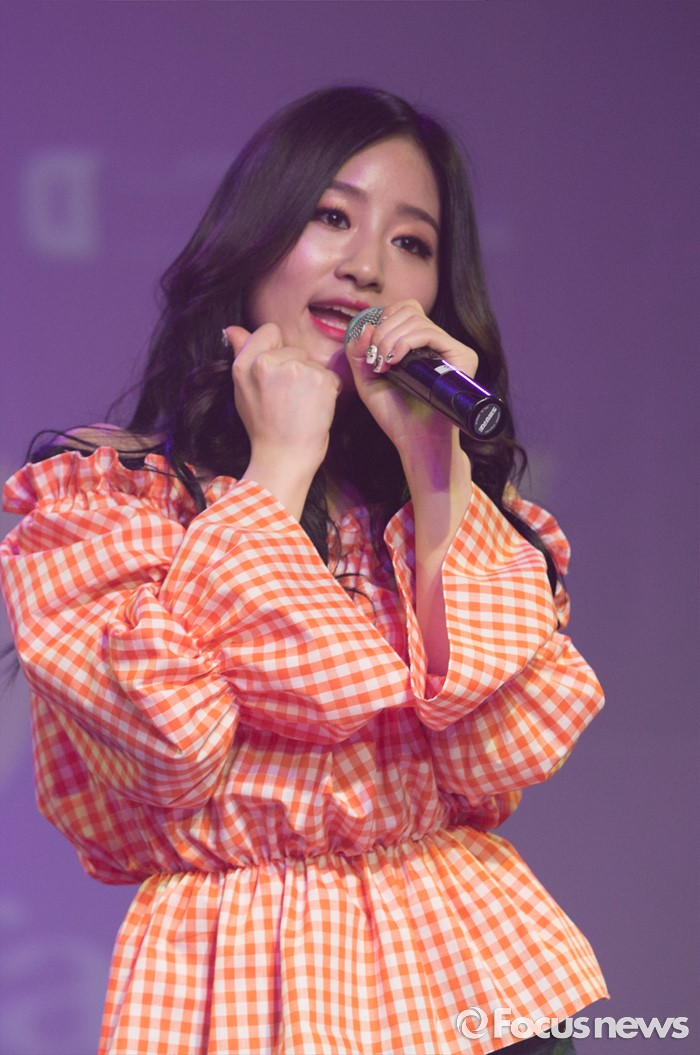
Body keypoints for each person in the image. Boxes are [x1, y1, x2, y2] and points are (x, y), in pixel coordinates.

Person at [0, 86, 607, 1055]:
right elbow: (168, 747)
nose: (368, 265)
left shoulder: (424, 509)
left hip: (479, 974)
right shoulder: (108, 502)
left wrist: (435, 464)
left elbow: (493, 754)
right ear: (252, 241)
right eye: (331, 217)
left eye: (411, 242)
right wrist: (279, 463)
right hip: (251, 984)